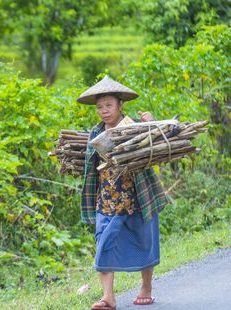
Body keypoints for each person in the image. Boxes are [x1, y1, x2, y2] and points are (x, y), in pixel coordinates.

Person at [77, 76, 170, 310]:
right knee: (103, 244)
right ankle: (108, 297)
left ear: (120, 105)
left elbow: (159, 144)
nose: (103, 111)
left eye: (108, 105)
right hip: (106, 199)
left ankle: (146, 287)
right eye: (100, 107)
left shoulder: (134, 128)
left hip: (137, 196)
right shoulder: (94, 134)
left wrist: (153, 124)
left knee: (144, 240)